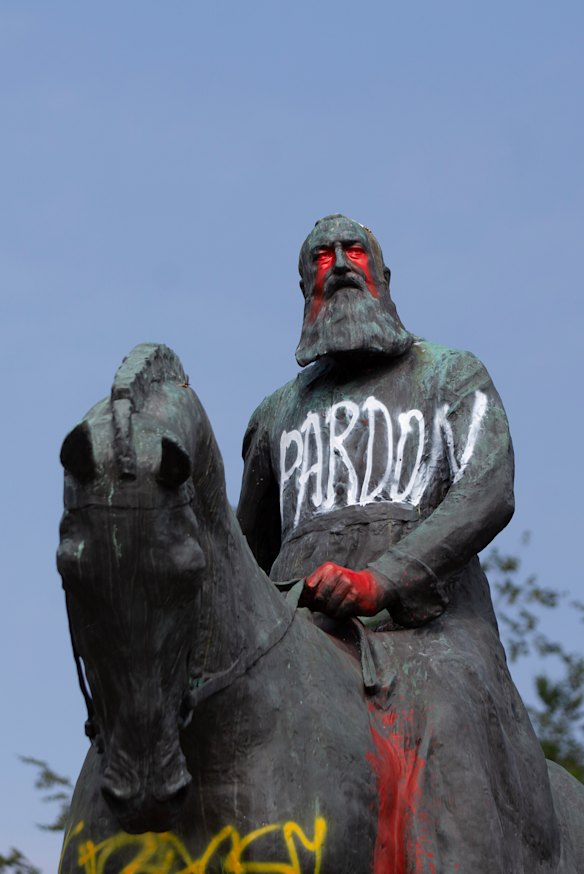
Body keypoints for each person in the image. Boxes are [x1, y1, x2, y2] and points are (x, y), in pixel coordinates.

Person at [237, 215, 575, 873]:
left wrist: (382, 578)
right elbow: (245, 554)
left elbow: (488, 488)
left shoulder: (450, 375)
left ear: (383, 277)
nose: (337, 265)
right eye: (321, 258)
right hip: (302, 633)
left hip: (429, 631)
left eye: (353, 251)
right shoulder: (273, 416)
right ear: (305, 290)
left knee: (449, 726)